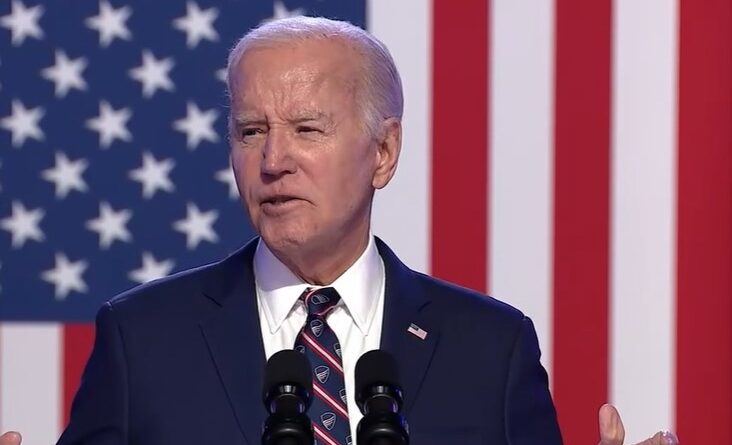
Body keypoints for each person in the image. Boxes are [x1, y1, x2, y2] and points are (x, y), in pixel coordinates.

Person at [0, 17, 678, 445]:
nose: (273, 160)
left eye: (307, 129)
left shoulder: (491, 349)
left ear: (383, 152)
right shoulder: (141, 339)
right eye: (252, 131)